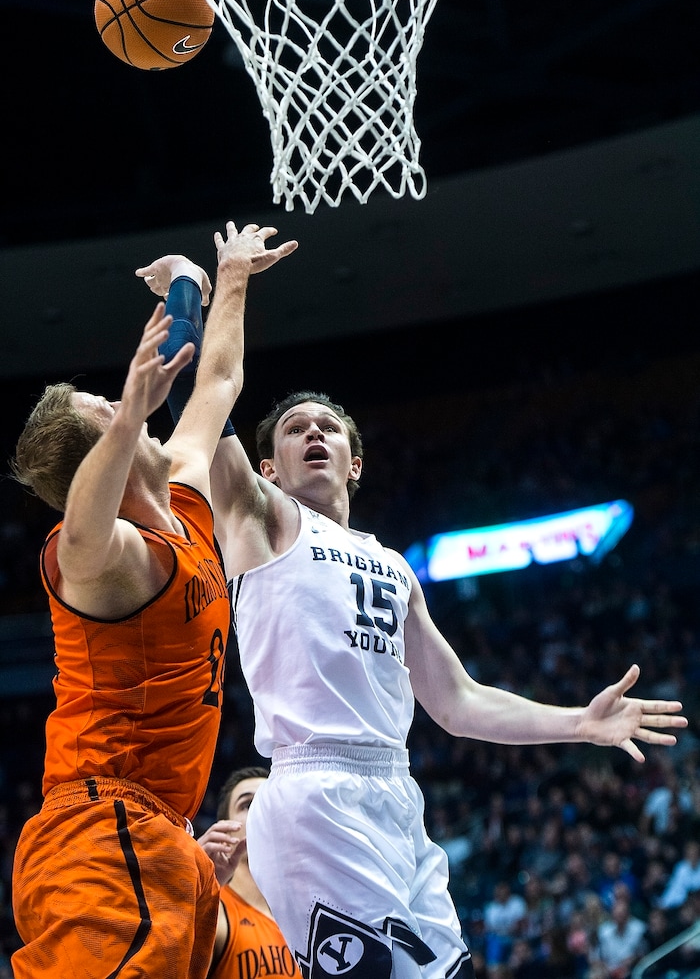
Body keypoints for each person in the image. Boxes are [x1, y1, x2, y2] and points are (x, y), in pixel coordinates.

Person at [145, 272, 687, 979]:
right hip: (314, 792)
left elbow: (457, 702)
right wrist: (206, 293)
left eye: (329, 428)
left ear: (355, 462)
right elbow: (207, 404)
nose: (314, 433)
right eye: (295, 429)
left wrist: (576, 724)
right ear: (270, 468)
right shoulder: (265, 522)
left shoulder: (395, 567)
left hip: (394, 794)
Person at [9, 221, 297, 979]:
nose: (117, 397)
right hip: (96, 832)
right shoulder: (103, 561)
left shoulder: (184, 500)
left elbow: (220, 382)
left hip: (158, 832)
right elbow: (81, 532)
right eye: (102, 404)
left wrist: (217, 278)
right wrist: (131, 412)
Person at [196, 766, 300, 979]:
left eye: (268, 802)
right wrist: (194, 888)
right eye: (247, 804)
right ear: (224, 828)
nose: (260, 812)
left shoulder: (307, 917)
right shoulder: (215, 913)